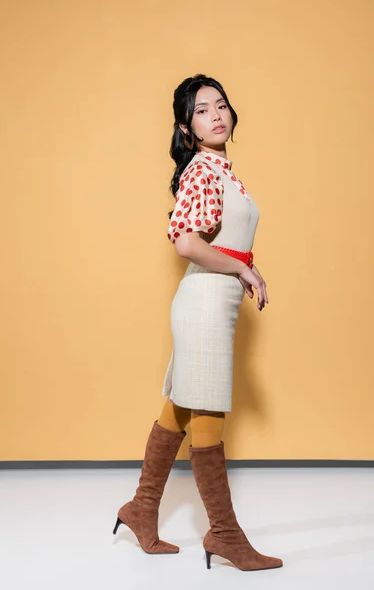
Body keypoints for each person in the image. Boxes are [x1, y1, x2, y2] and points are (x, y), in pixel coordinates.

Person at [113, 74, 283, 572]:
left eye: (221, 105)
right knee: (207, 407)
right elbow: (187, 242)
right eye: (203, 109)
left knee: (182, 407)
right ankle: (224, 534)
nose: (216, 114)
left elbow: (224, 243)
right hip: (205, 300)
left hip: (214, 297)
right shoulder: (203, 170)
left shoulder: (224, 169)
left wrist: (245, 267)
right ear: (187, 127)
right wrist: (243, 268)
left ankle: (141, 510)